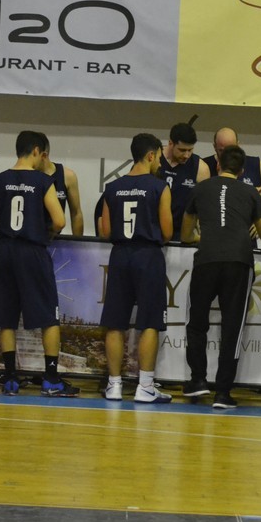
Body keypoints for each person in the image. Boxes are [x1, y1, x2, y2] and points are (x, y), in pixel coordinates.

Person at [0, 129, 80, 398]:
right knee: (49, 317)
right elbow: (60, 221)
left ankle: (11, 379)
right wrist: (49, 233)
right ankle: (51, 380)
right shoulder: (43, 181)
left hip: (5, 253)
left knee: (7, 319)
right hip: (33, 252)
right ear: (36, 151)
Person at [180, 145, 261, 409]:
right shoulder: (250, 192)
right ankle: (223, 393)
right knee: (232, 327)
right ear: (242, 170)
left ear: (218, 165)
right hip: (239, 262)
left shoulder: (200, 189)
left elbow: (185, 234)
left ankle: (198, 380)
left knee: (197, 322)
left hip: (207, 259)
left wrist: (204, 237)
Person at [98, 133, 173, 404]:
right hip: (148, 256)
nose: (160, 163)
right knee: (150, 322)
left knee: (115, 322)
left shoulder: (112, 187)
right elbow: (167, 231)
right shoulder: (159, 187)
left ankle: (114, 385)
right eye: (159, 157)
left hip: (120, 255)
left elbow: (105, 231)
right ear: (150, 155)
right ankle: (145, 387)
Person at [202, 127, 261, 222]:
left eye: (231, 149)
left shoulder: (256, 165)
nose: (227, 156)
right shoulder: (203, 167)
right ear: (214, 147)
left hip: (246, 229)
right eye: (222, 150)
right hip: (214, 228)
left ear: (238, 145)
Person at [160, 121, 210, 241]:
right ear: (171, 143)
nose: (186, 155)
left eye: (190, 150)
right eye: (182, 150)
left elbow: (204, 206)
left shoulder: (201, 168)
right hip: (153, 231)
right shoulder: (154, 159)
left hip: (182, 235)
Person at [41, 136, 84, 236]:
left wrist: (77, 243)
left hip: (55, 238)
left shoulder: (67, 176)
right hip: (31, 239)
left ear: (43, 155)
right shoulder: (27, 176)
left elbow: (76, 213)